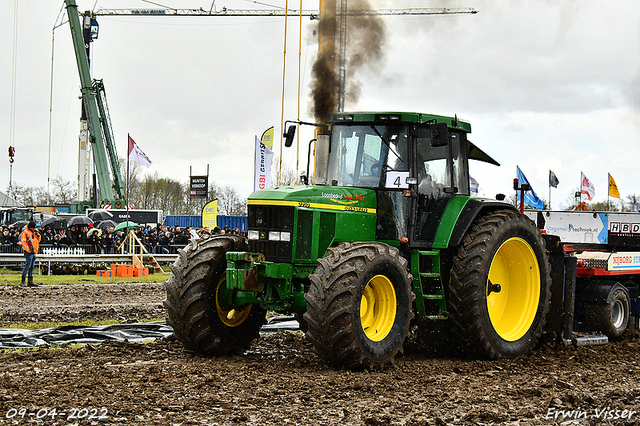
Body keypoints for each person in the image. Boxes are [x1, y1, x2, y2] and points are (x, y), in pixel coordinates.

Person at [20, 221, 41, 287]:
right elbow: (24, 242)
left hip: (33, 251)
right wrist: (28, 250)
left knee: (31, 266)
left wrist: (38, 235)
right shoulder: (25, 233)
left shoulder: (33, 233)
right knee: (27, 266)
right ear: (30, 227)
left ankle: (30, 281)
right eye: (33, 228)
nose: (34, 229)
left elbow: (37, 241)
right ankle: (23, 281)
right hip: (29, 252)